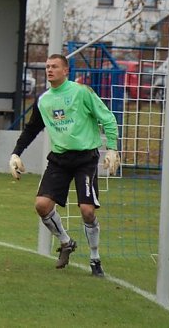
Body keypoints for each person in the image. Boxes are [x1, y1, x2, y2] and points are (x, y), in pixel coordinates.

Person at [9, 54, 120, 277]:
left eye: (55, 66)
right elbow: (32, 129)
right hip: (59, 159)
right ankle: (66, 242)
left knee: (87, 211)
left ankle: (95, 258)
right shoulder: (44, 100)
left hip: (85, 159)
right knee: (41, 205)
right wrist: (15, 153)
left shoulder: (81, 92)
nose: (50, 70)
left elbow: (107, 118)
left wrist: (112, 148)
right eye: (48, 66)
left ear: (66, 71)